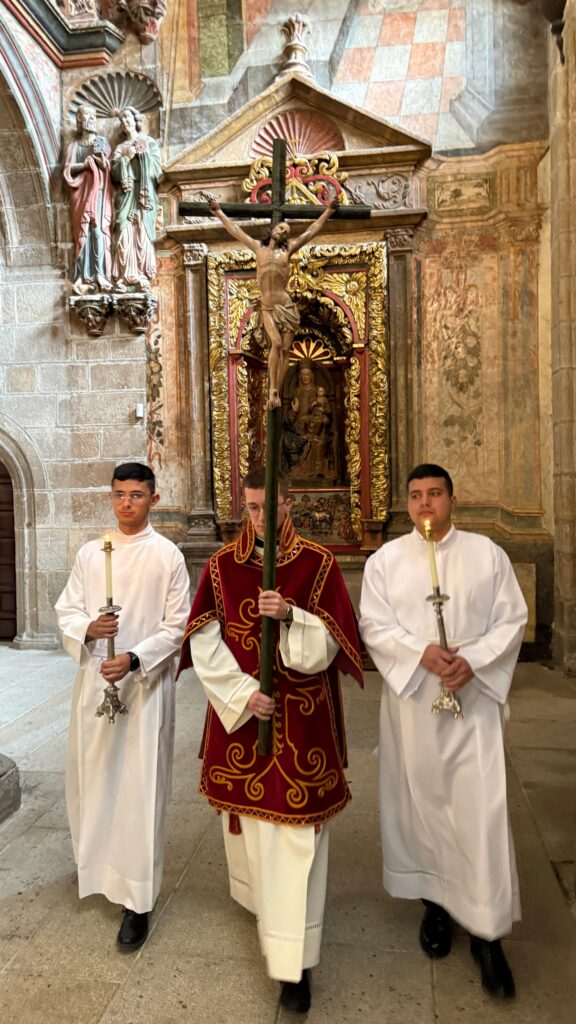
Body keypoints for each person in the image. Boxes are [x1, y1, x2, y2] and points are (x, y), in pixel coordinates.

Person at [177, 466, 363, 1012]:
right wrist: (242, 695)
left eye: (270, 506)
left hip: (301, 726)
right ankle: (266, 910)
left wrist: (291, 617)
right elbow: (205, 642)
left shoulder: (318, 563)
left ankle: (295, 961)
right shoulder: (221, 566)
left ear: (289, 504)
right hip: (243, 724)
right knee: (253, 831)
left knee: (297, 835)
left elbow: (333, 644)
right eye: (252, 507)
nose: (260, 517)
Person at [359, 463, 527, 999]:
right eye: (415, 496)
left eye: (434, 494)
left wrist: (473, 660)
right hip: (415, 707)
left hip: (472, 704)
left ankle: (487, 931)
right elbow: (374, 625)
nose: (425, 504)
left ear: (453, 499)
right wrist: (421, 653)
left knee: (480, 813)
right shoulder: (386, 561)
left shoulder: (487, 555)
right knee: (421, 805)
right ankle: (434, 905)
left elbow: (512, 620)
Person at [55, 462, 190, 951]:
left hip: (145, 688)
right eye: (118, 494)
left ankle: (137, 898)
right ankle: (96, 868)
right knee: (94, 779)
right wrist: (89, 629)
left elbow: (178, 625)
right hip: (96, 682)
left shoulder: (167, 556)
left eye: (136, 495)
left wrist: (133, 658)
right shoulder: (92, 553)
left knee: (139, 786)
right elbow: (67, 609)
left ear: (154, 499)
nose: (126, 503)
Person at [208, 197, 338, 409]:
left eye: (287, 231)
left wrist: (329, 211)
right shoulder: (258, 248)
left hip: (286, 307)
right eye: (281, 228)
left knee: (285, 350)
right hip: (267, 307)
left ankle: (276, 390)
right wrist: (219, 213)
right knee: (276, 344)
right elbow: (237, 231)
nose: (284, 232)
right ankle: (272, 390)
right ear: (272, 229)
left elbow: (311, 231)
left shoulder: (288, 250)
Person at [63, 103, 113, 295]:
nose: (91, 118)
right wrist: (84, 165)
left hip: (98, 192)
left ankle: (100, 274)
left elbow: (106, 166)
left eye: (94, 115)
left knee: (98, 232)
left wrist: (98, 160)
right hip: (80, 194)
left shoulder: (101, 141)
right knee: (82, 234)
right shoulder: (74, 146)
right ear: (79, 119)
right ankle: (82, 276)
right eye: (87, 115)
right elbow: (68, 170)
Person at [111, 107, 162, 291]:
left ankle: (142, 274)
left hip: (144, 193)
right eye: (122, 120)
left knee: (142, 232)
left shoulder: (149, 142)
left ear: (135, 119)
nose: (125, 121)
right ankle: (125, 276)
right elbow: (113, 172)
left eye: (127, 117)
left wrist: (144, 155)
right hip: (126, 195)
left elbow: (157, 170)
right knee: (124, 231)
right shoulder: (120, 148)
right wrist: (126, 158)